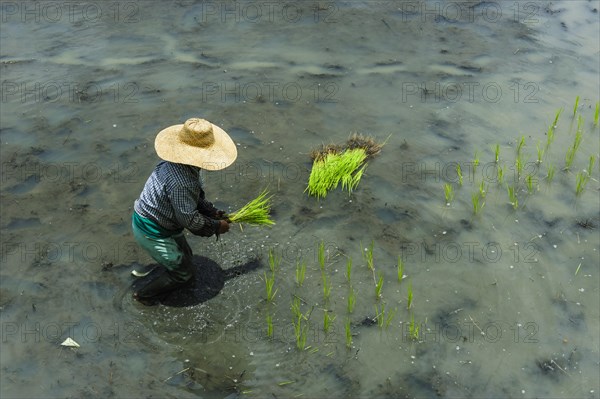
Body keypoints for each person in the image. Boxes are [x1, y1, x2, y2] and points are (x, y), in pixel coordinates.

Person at [131, 118, 237, 302]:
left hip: (162, 221)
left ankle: (170, 267)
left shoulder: (174, 165)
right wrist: (215, 226)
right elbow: (189, 220)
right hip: (152, 231)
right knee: (184, 274)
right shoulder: (183, 182)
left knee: (186, 256)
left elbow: (193, 199)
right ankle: (143, 295)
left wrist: (210, 211)